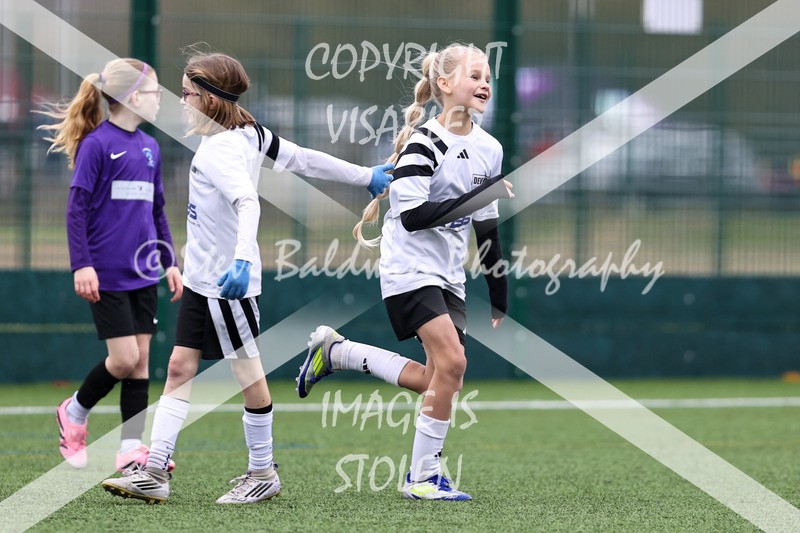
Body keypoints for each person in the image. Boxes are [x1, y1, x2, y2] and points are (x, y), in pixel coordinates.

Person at [100, 49, 394, 505]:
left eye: (187, 93)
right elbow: (302, 158)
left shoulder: (225, 147)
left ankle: (262, 472)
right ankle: (155, 471)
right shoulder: (246, 133)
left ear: (211, 99)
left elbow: (249, 201)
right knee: (180, 367)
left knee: (246, 371)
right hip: (203, 283)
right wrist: (365, 175)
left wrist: (240, 262)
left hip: (226, 285)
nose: (181, 101)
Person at [296, 43, 514, 500]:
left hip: (449, 274)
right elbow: (413, 215)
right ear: (444, 84)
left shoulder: (490, 148)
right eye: (474, 75)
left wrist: (499, 290)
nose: (484, 84)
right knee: (454, 363)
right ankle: (422, 477)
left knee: (441, 377)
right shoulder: (424, 143)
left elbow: (486, 223)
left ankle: (338, 353)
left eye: (487, 75)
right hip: (408, 269)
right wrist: (474, 200)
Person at [35, 58, 183, 472]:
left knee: (139, 361)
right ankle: (75, 412)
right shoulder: (97, 145)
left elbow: (157, 212)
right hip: (105, 274)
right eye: (155, 93)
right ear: (135, 97)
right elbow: (76, 210)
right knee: (121, 360)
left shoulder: (151, 148)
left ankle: (131, 448)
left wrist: (170, 263)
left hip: (143, 275)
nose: (160, 101)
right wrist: (82, 265)